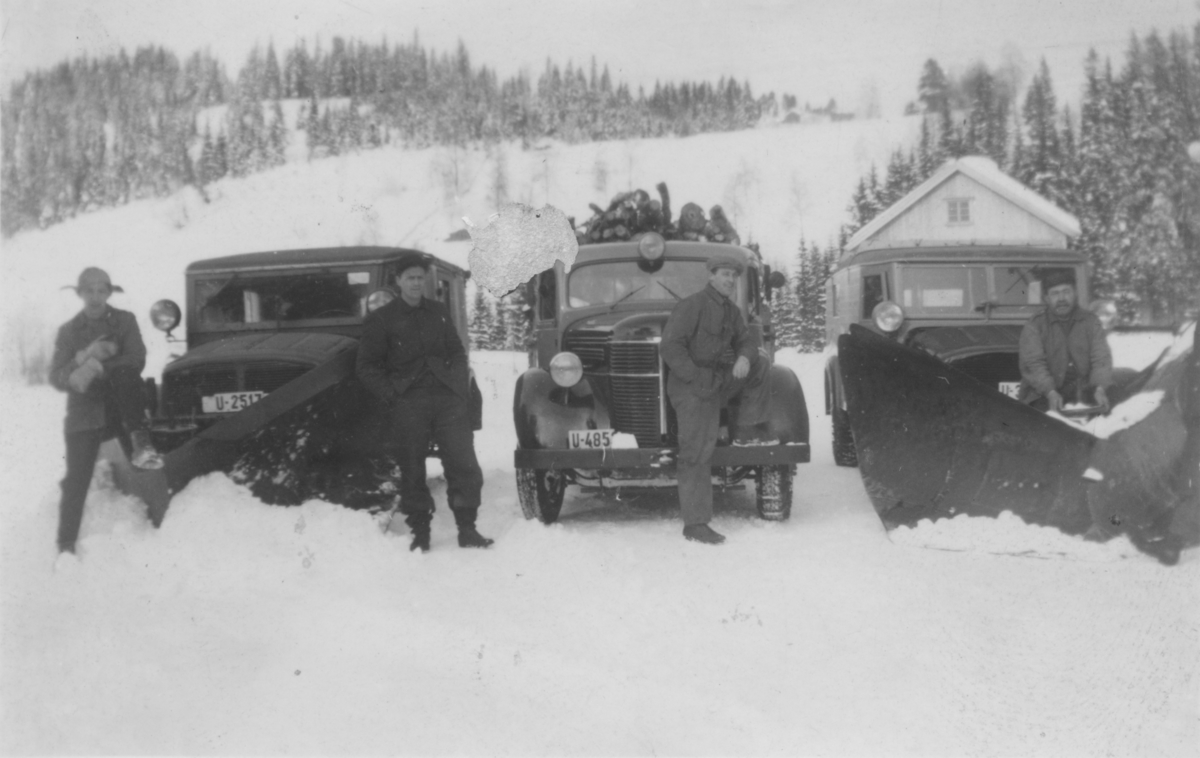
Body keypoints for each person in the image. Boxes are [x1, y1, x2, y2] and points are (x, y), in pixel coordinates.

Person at [356, 253, 491, 552]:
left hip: (446, 400)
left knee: (463, 463)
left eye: (420, 278)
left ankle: (467, 529)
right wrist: (393, 395)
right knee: (412, 469)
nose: (416, 283)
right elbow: (366, 367)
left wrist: (456, 386)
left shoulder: (438, 312)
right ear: (399, 282)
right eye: (410, 278)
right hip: (409, 402)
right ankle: (421, 533)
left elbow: (456, 351)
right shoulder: (382, 319)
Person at [49, 267, 162, 557]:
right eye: (89, 291)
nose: (96, 297)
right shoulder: (69, 331)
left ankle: (160, 537)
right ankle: (66, 547)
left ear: (110, 293)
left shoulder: (124, 321)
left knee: (146, 467)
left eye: (102, 290)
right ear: (80, 294)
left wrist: (101, 367)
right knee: (77, 480)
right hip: (86, 412)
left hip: (124, 407)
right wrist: (83, 358)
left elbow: (136, 358)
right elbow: (57, 377)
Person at [661, 252, 773, 545]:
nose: (730, 280)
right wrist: (699, 378)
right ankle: (695, 524)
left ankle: (746, 428)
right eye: (725, 274)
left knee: (760, 362)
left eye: (734, 276)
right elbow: (671, 347)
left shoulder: (731, 311)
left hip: (717, 381)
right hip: (691, 387)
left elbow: (747, 340)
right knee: (696, 452)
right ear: (711, 276)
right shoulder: (692, 306)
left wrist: (745, 359)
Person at [1018, 268, 1113, 413]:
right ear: (1047, 298)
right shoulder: (1035, 325)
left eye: (1066, 292)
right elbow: (1033, 364)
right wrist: (1050, 392)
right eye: (1055, 293)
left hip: (1084, 392)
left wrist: (1100, 388)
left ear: (1075, 293)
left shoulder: (1091, 321)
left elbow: (1101, 358)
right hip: (1043, 393)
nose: (1061, 298)